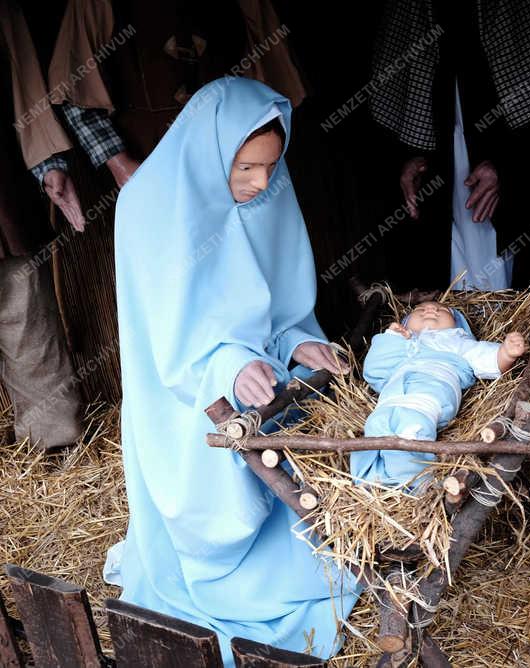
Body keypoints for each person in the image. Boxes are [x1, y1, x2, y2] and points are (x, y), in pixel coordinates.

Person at [106, 76, 360, 663]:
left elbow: (275, 301)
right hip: (182, 403)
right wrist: (228, 361)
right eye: (245, 168)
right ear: (212, 151)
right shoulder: (148, 206)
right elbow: (165, 335)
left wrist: (297, 341)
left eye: (271, 166)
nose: (262, 183)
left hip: (257, 387)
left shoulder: (270, 192)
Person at [369, 0, 530, 290]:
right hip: (444, 148)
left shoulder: (528, 19)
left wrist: (510, 164)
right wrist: (413, 151)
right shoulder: (420, 14)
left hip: (521, 149)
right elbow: (411, 74)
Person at [0, 0, 83, 451]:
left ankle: (52, 444)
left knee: (24, 319)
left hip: (3, 199)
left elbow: (24, 77)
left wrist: (47, 163)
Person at [354, 301, 525, 486]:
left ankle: (411, 485)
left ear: (457, 324)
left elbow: (486, 358)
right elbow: (373, 370)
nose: (430, 309)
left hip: (428, 398)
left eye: (442, 309)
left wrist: (506, 353)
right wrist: (391, 339)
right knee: (373, 428)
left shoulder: (458, 342)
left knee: (412, 431)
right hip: (389, 401)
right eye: (419, 309)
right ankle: (366, 482)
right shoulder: (400, 345)